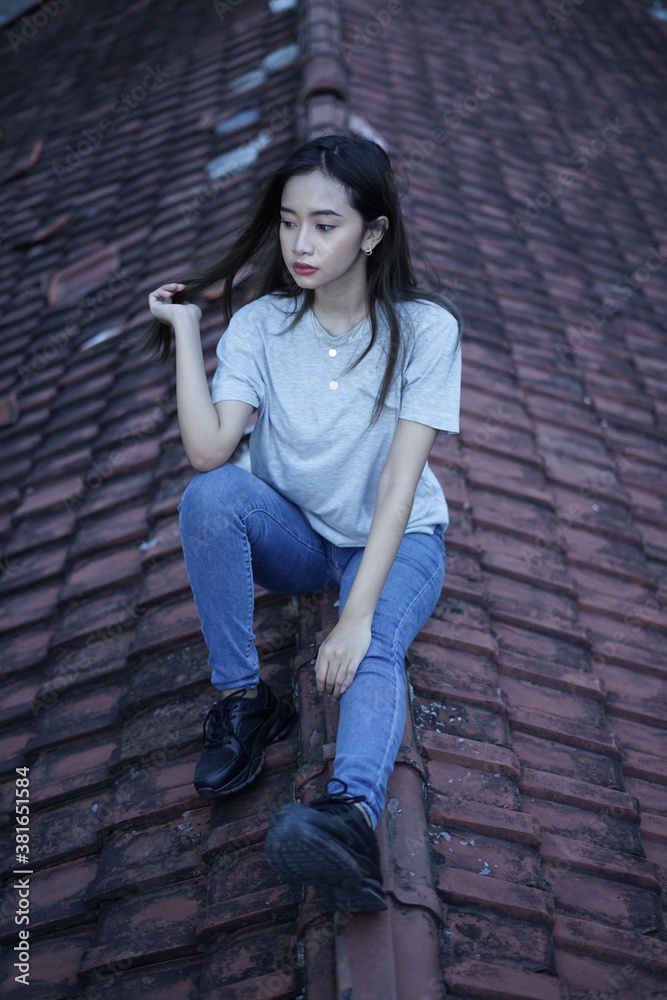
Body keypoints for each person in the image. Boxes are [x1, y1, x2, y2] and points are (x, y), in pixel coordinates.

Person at [143, 133, 462, 913]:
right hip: (302, 536)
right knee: (209, 496)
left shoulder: (424, 330)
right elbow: (210, 449)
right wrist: (188, 334)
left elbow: (396, 485)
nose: (300, 244)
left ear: (373, 232)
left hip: (399, 538)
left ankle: (348, 814)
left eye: (325, 224)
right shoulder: (259, 325)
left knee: (373, 648)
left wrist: (351, 619)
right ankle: (244, 702)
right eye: (288, 223)